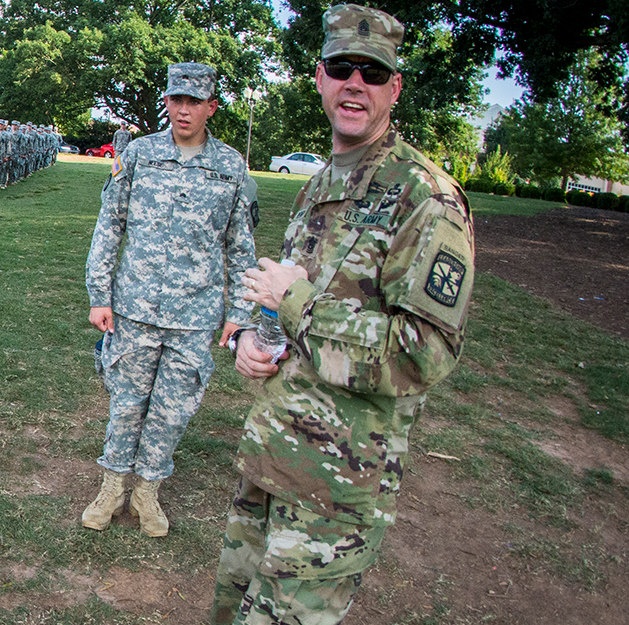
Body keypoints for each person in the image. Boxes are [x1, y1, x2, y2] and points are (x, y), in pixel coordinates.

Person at [214, 6, 475, 622]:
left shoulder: (424, 196)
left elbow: (425, 351)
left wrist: (294, 305)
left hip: (336, 495)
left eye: (374, 72)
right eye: (341, 68)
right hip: (273, 461)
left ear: (395, 88)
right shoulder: (318, 182)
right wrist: (261, 340)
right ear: (320, 79)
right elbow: (295, 295)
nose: (355, 83)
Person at [81, 62, 258, 538]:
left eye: (194, 102)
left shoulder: (230, 168)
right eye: (176, 99)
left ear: (211, 108)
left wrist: (239, 314)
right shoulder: (138, 155)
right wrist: (100, 294)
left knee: (172, 410)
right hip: (134, 309)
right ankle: (112, 486)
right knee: (127, 403)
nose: (183, 109)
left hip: (195, 317)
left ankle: (147, 493)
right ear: (168, 102)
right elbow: (109, 226)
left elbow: (241, 249)